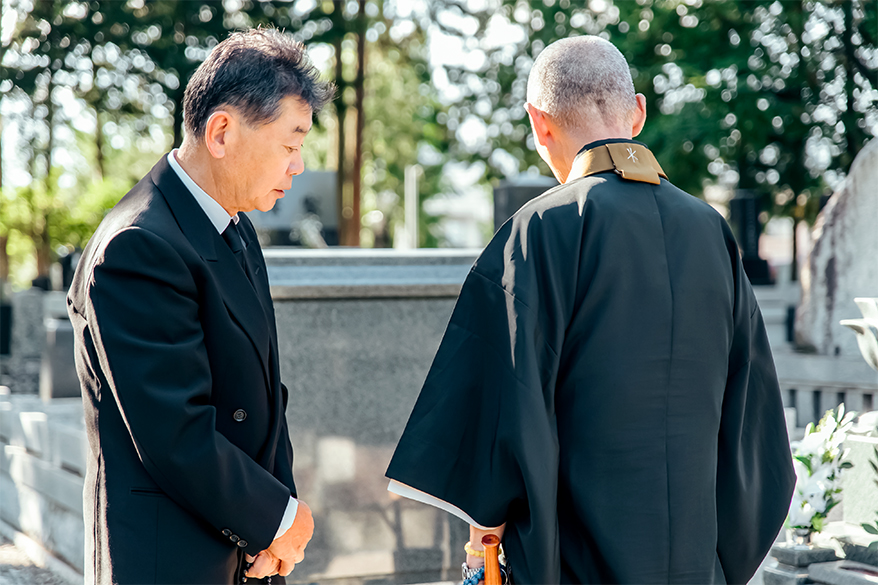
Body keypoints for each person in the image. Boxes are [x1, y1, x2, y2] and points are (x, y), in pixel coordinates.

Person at [386, 35, 795, 584]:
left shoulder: (540, 230)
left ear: (539, 124)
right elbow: (755, 422)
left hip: (578, 565)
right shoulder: (711, 232)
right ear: (639, 113)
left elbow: (502, 422)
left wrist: (488, 534)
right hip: (697, 564)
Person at [67, 28, 333, 585]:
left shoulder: (234, 226)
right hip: (170, 557)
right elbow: (175, 432)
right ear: (220, 132)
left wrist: (276, 527)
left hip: (246, 548)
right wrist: (278, 519)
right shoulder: (139, 245)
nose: (299, 165)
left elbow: (264, 394)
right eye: (290, 144)